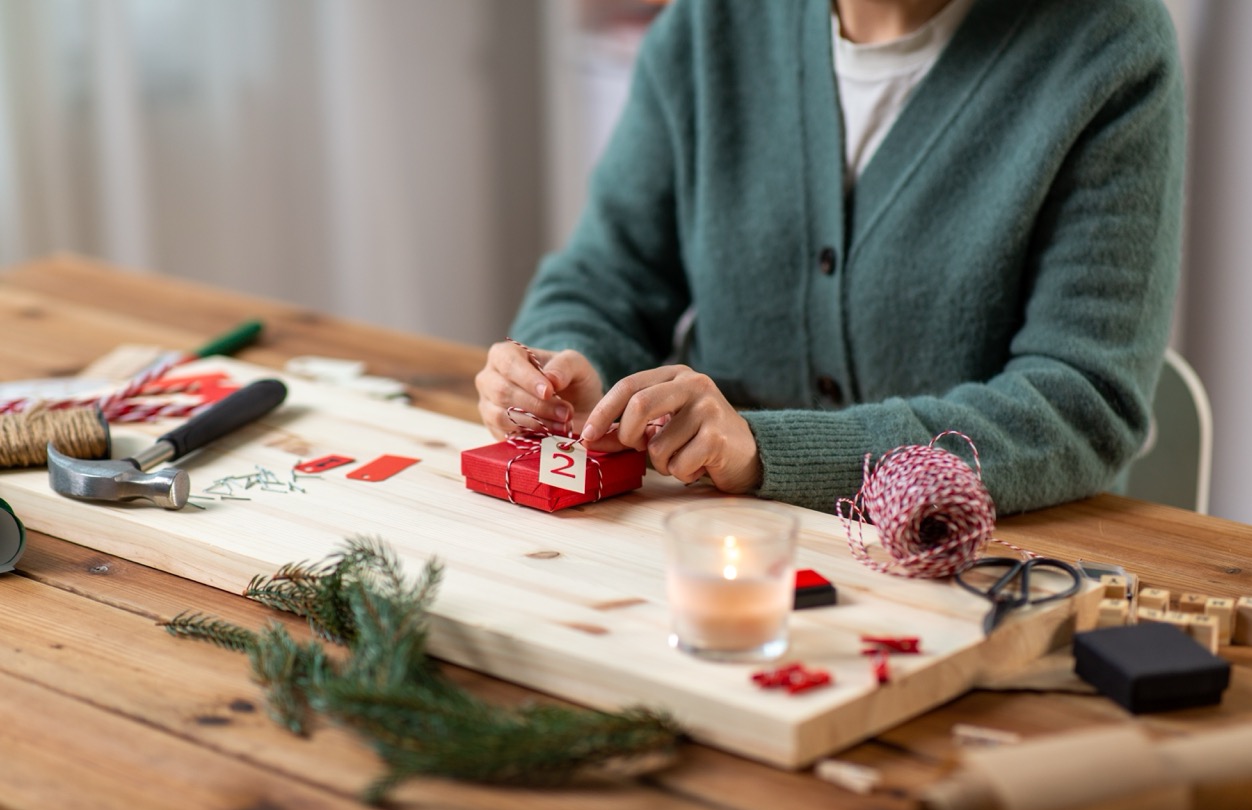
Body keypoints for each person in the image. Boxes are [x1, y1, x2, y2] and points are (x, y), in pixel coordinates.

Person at [475, 0, 1185, 516]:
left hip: (991, 571)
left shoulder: (1107, 46)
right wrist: (572, 366)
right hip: (718, 556)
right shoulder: (708, 26)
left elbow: (1083, 401)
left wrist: (767, 449)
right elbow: (605, 275)